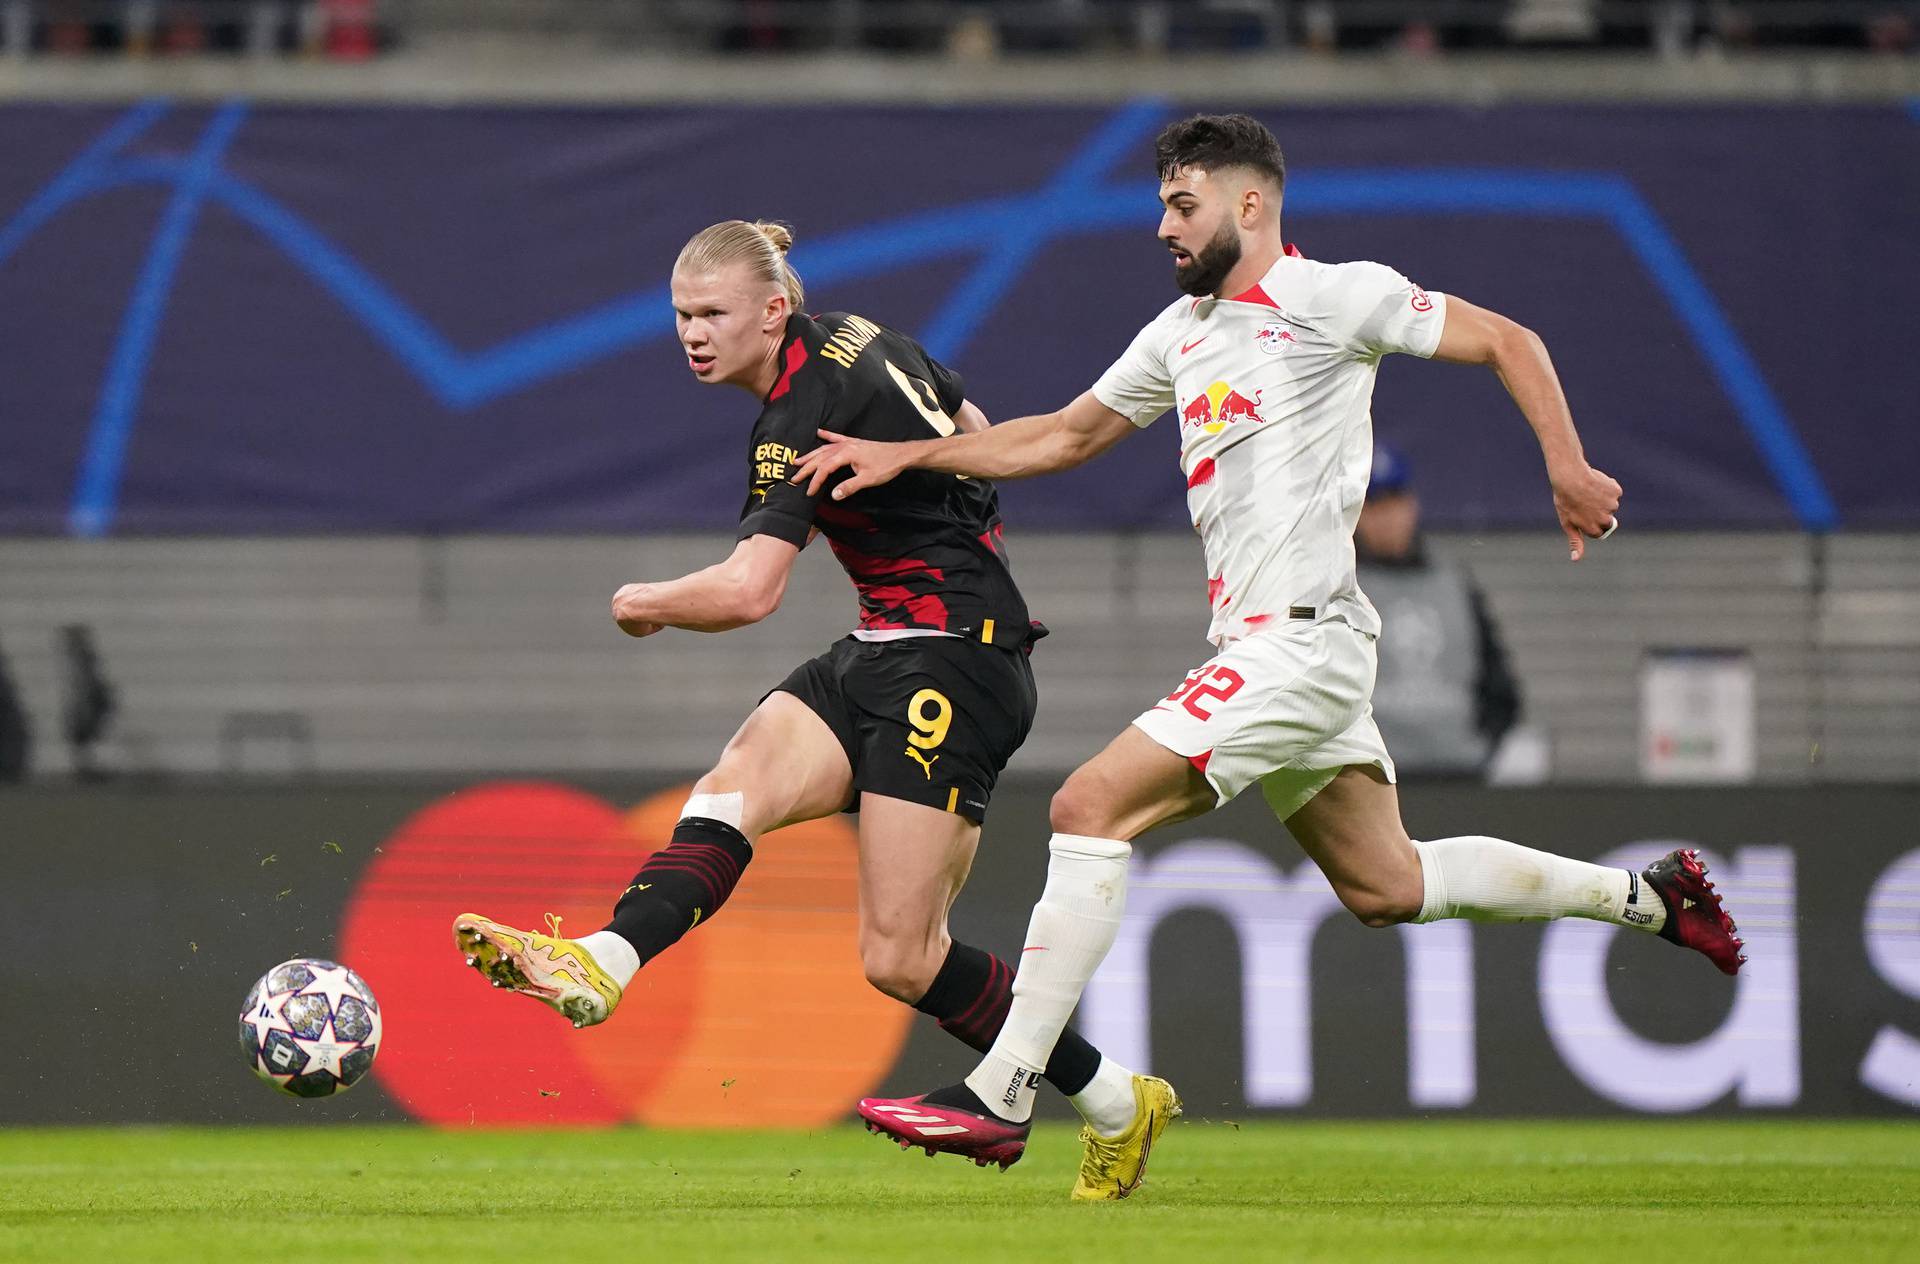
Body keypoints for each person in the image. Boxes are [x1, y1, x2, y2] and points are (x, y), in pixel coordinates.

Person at [793, 113, 1745, 1179]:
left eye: (1183, 203)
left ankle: (1005, 1088)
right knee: (1389, 883)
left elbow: (1509, 339)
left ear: (1250, 205)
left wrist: (1566, 467)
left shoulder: (1335, 298)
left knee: (1088, 806)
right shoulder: (1180, 332)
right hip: (1290, 651)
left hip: (1297, 645)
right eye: (1161, 203)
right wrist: (909, 455)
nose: (1163, 224)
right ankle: (1655, 896)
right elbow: (1063, 434)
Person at [450, 219, 1159, 1198]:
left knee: (902, 958)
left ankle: (1110, 1096)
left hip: (954, 663)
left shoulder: (796, 415)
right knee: (734, 784)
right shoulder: (858, 335)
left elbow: (750, 591)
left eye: (712, 315)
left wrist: (639, 602)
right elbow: (974, 422)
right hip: (882, 648)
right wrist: (946, 503)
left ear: (772, 309)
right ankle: (605, 960)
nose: (692, 335)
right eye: (682, 316)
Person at [1356, 442, 1522, 778]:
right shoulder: (1337, 587)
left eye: (1394, 502)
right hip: (1370, 782)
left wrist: (1481, 748)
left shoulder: (1453, 583)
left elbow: (1499, 684)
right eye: (1372, 505)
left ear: (1412, 505)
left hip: (1458, 775)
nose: (1386, 518)